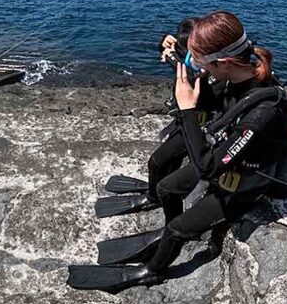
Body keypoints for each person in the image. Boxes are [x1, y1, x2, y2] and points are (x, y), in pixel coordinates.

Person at [68, 11, 287, 290]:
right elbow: (214, 105)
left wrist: (186, 109)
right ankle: (168, 234)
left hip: (245, 181)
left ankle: (153, 270)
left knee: (177, 231)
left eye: (201, 61)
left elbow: (208, 168)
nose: (197, 66)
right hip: (225, 160)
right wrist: (181, 68)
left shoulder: (263, 111)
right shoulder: (232, 78)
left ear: (223, 63)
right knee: (164, 188)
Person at [95, 17, 226, 218]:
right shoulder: (195, 61)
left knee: (156, 162)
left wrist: (175, 60)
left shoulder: (215, 76)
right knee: (166, 163)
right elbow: (178, 59)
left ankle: (159, 200)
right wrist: (164, 44)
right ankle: (159, 190)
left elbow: (197, 88)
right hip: (185, 122)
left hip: (200, 129)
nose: (191, 59)